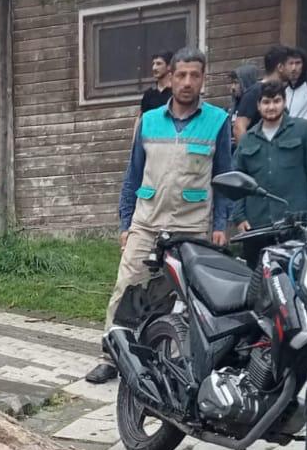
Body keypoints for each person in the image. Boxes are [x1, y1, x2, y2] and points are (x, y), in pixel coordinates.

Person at [87, 47, 232, 383]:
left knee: (187, 299)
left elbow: (224, 178)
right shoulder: (150, 121)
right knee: (127, 288)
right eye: (181, 74)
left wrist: (221, 225)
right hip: (147, 222)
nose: (187, 82)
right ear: (171, 75)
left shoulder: (218, 121)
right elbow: (132, 176)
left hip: (192, 226)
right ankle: (112, 356)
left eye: (195, 75)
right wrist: (126, 222)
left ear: (203, 78)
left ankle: (176, 362)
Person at [232, 80, 307, 236]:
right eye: (266, 102)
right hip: (257, 225)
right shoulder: (247, 140)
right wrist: (239, 217)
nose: (271, 107)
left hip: (296, 222)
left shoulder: (303, 130)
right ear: (258, 106)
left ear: (284, 102)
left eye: (276, 101)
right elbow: (237, 182)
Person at [232, 45, 291, 141]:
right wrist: (249, 153)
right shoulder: (255, 92)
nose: (293, 68)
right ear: (280, 67)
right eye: (290, 64)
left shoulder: (284, 91)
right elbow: (239, 128)